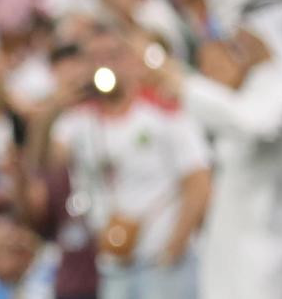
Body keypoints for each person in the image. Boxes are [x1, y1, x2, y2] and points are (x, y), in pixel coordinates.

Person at [155, 0, 282, 299]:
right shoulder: (264, 82)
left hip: (271, 249)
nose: (241, 41)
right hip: (239, 242)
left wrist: (185, 85)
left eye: (249, 33)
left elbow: (253, 125)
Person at [44, 24, 210, 299]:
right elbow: (49, 165)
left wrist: (174, 247)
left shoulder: (163, 110)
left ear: (133, 60)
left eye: (113, 56)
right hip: (114, 265)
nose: (103, 66)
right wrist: (52, 108)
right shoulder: (77, 119)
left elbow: (199, 181)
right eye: (93, 58)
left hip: (163, 263)